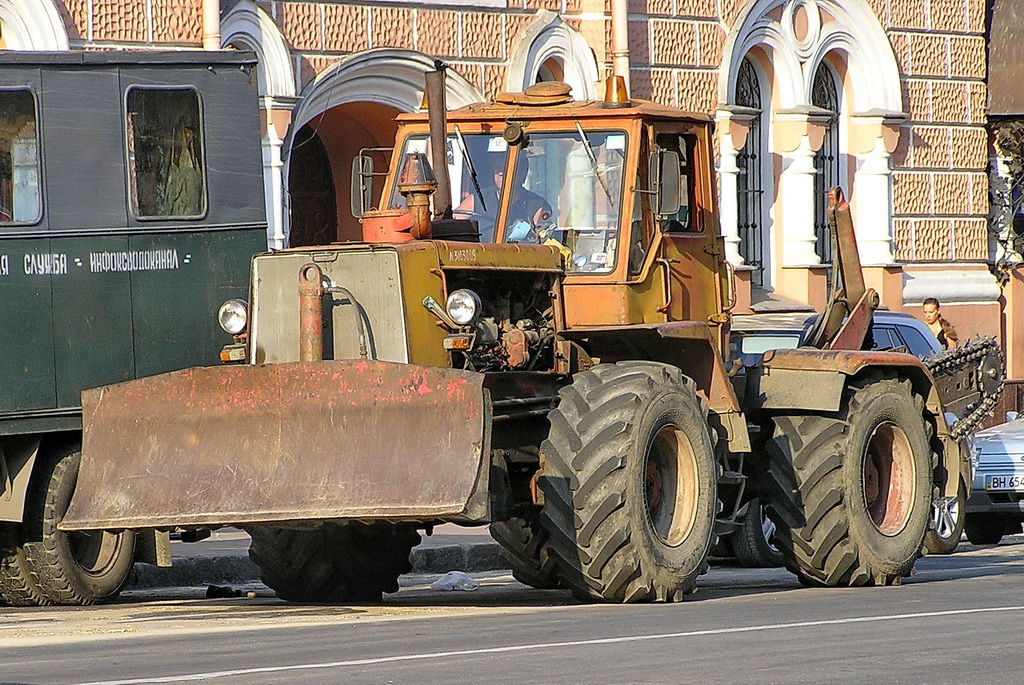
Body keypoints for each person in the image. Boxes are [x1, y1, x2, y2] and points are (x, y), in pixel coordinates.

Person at [456, 155, 552, 243]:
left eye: (506, 168)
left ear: (523, 173)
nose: (501, 173)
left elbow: (542, 237)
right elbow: (452, 222)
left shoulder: (536, 206)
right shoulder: (479, 198)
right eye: (498, 169)